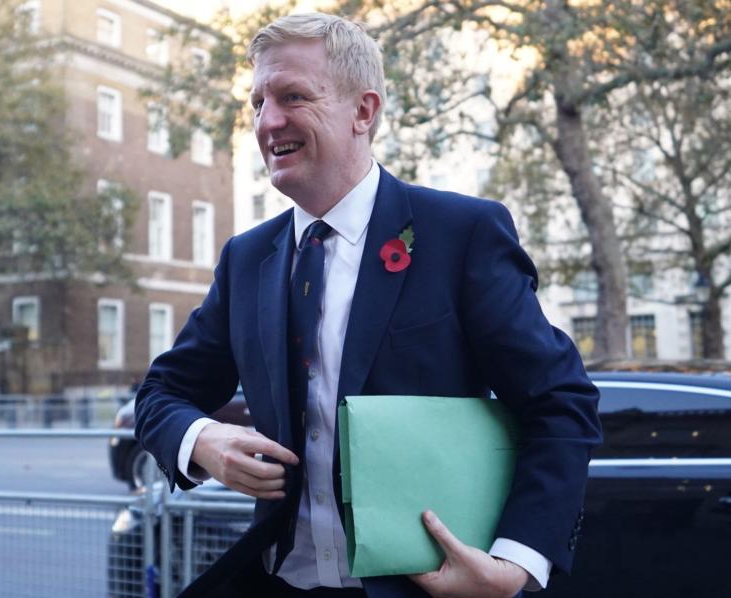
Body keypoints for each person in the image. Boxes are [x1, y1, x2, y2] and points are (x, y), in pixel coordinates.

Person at [135, 13, 601, 598]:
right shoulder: (245, 258)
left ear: (364, 111)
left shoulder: (462, 234)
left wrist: (513, 565)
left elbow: (562, 404)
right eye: (257, 102)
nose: (266, 121)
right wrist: (202, 439)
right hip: (277, 579)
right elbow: (160, 395)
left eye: (292, 96)